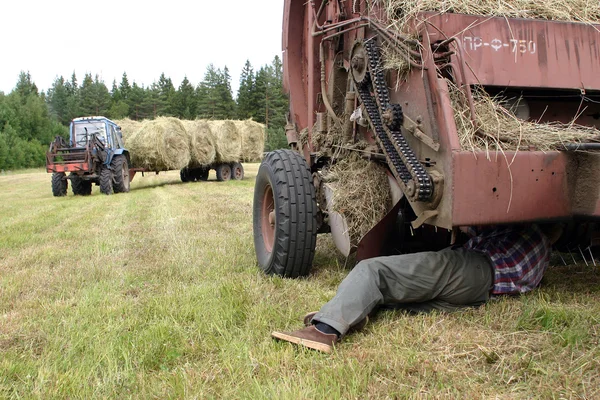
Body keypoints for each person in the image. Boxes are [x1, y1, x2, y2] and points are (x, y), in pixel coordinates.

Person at [271, 224, 558, 353]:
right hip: (483, 294)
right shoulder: (539, 249)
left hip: (475, 270)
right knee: (395, 301)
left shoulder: (523, 231)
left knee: (374, 270)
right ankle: (355, 314)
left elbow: (474, 234)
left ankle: (325, 331)